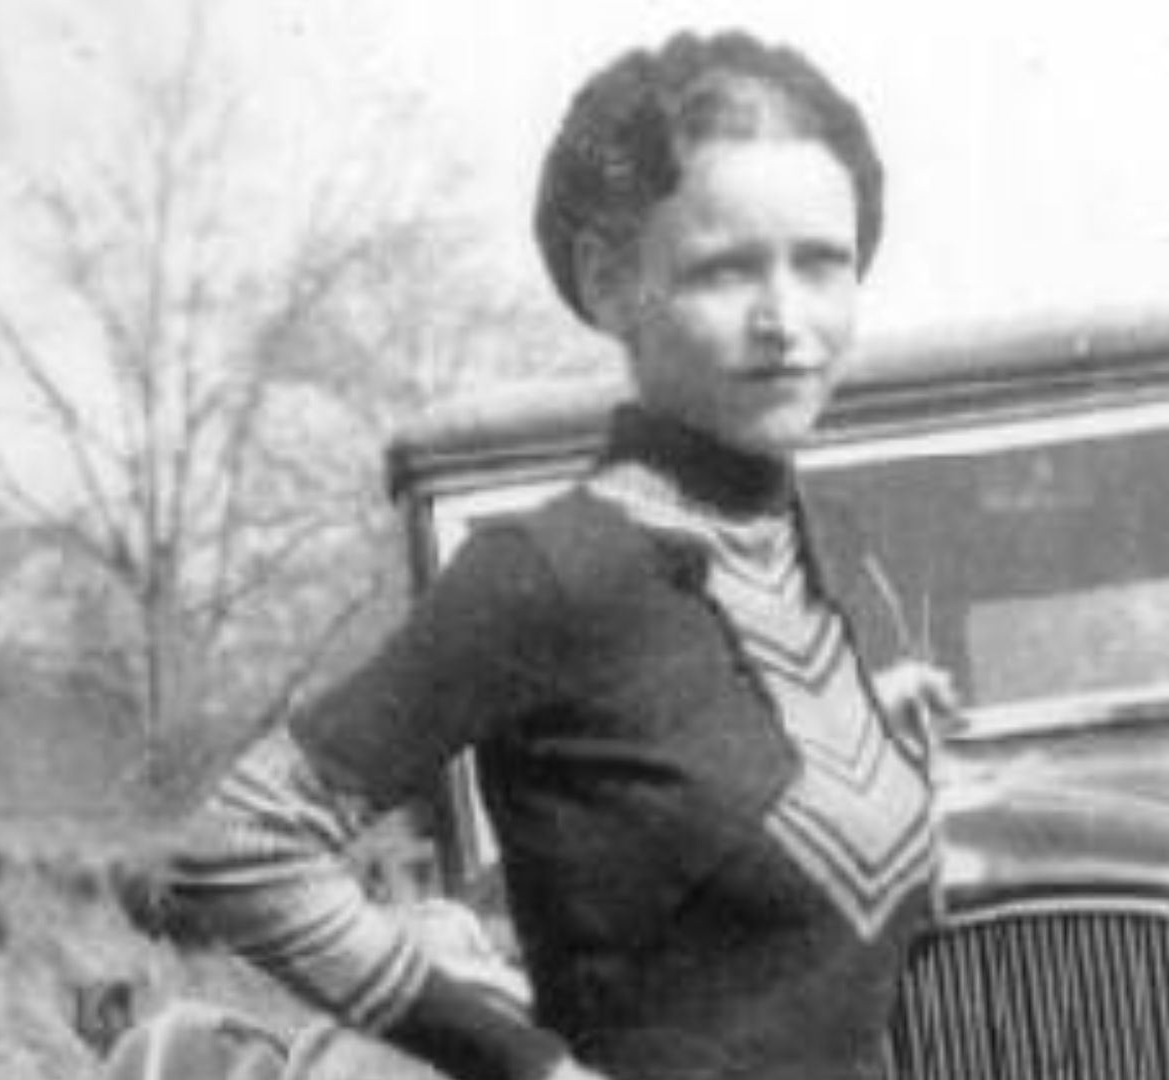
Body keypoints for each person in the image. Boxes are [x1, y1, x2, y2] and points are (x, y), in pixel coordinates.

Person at [166, 28, 956, 1080]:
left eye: (822, 263)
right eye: (725, 269)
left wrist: (868, 729)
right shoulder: (550, 571)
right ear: (610, 283)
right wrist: (525, 1069)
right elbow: (238, 845)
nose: (786, 320)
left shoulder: (824, 555)